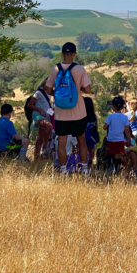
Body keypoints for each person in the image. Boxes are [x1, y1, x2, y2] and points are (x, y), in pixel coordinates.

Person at [46, 42, 93, 176]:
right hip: (78, 112)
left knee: (61, 142)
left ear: (62, 54)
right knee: (81, 140)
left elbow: (48, 89)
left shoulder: (55, 69)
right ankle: (84, 169)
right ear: (74, 54)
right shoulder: (79, 69)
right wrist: (78, 89)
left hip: (60, 113)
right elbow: (88, 90)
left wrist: (59, 96)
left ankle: (63, 170)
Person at [26, 79, 53, 160]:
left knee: (40, 137)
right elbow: (29, 105)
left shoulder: (49, 94)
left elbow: (47, 106)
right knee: (49, 127)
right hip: (38, 115)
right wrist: (40, 109)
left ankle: (37, 157)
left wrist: (52, 111)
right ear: (43, 83)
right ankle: (44, 148)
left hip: (46, 115)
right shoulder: (38, 93)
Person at [104, 96, 132, 172]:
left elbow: (105, 127)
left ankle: (111, 167)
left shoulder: (110, 116)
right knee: (118, 154)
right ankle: (117, 168)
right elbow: (127, 129)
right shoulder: (125, 117)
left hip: (111, 139)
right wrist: (129, 140)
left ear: (114, 107)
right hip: (120, 140)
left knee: (110, 153)